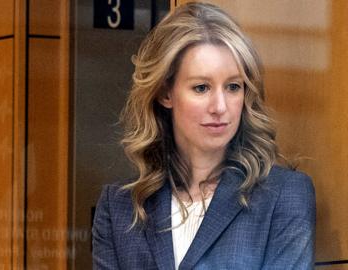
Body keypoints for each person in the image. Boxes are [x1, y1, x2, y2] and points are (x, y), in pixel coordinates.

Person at [92, 2, 315, 269]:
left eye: (233, 86)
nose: (220, 107)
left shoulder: (284, 196)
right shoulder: (119, 208)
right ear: (166, 93)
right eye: (201, 87)